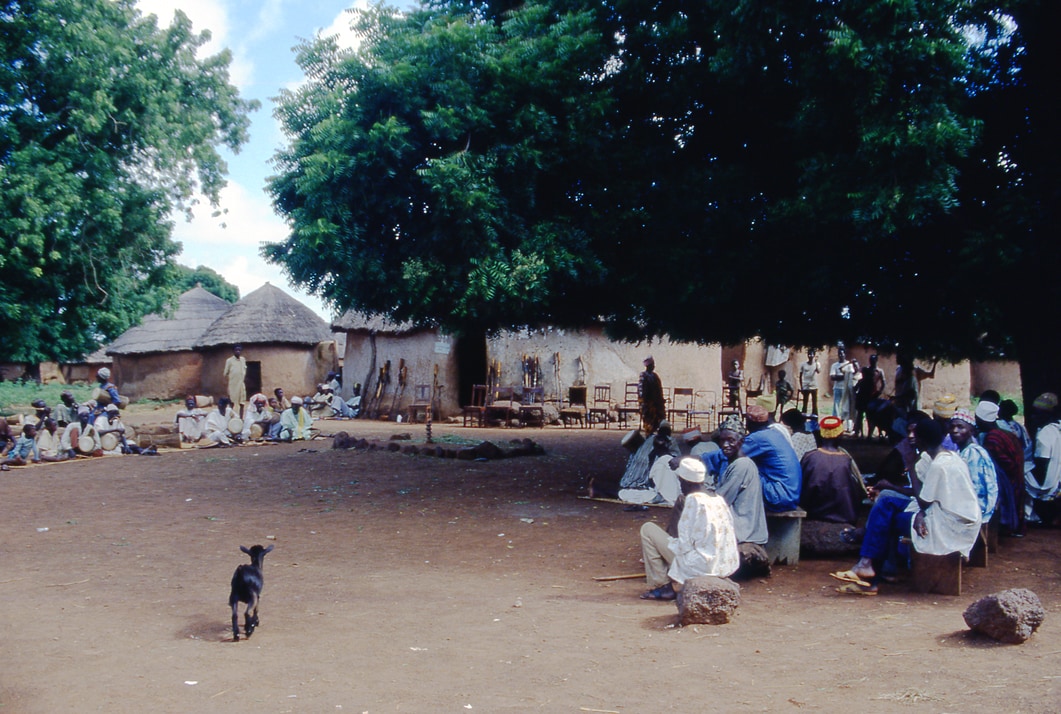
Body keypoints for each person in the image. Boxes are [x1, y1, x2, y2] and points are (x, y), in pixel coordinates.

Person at [830, 419, 980, 595]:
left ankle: (871, 575)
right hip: (943, 512)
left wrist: (911, 465)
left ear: (922, 440)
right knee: (886, 501)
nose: (910, 438)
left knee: (888, 519)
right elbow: (926, 496)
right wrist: (919, 510)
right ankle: (868, 566)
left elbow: (924, 500)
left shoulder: (941, 465)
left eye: (914, 435)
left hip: (951, 525)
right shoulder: (945, 457)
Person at [638, 457, 740, 601]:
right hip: (724, 564)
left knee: (648, 529)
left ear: (684, 481)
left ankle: (664, 585)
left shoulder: (693, 500)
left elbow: (685, 544)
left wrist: (668, 552)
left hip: (701, 566)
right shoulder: (717, 499)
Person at [700, 415, 769, 548]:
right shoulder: (734, 463)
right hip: (741, 526)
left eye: (731, 440)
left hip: (743, 530)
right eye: (722, 441)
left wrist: (699, 490)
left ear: (741, 441)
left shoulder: (742, 465)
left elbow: (721, 501)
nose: (725, 445)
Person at [799, 416, 867, 524]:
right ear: (840, 435)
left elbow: (801, 486)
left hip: (813, 511)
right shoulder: (845, 459)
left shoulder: (810, 457)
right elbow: (856, 489)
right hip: (843, 514)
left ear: (821, 434)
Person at [976, 400, 1024, 536]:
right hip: (1016, 476)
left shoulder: (993, 438)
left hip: (1009, 479)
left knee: (1007, 505)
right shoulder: (1006, 433)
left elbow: (1004, 462)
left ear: (982, 420)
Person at [741, 404, 802, 512]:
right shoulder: (775, 433)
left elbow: (730, 455)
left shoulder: (758, 438)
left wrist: (703, 458)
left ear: (749, 424)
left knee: (742, 468)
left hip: (778, 497)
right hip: (791, 496)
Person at [950, 408, 998, 525]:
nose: (955, 431)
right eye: (952, 427)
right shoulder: (961, 451)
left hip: (974, 506)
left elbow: (974, 487)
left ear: (971, 431)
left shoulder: (973, 453)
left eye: (960, 427)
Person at [617, 421, 680, 504]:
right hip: (642, 489)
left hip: (623, 485)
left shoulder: (646, 442)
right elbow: (677, 459)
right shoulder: (669, 441)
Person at [1026, 392, 1061, 525]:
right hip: (1058, 477)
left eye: (1036, 414)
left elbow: (1042, 465)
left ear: (1047, 415)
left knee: (1019, 474)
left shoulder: (1044, 434)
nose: (1033, 417)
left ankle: (1030, 514)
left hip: (1049, 483)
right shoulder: (1057, 428)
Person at [854, 354, 887, 438]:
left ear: (876, 361)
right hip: (862, 394)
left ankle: (869, 434)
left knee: (870, 416)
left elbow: (883, 383)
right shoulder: (865, 370)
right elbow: (860, 380)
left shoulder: (879, 371)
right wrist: (856, 388)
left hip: (872, 396)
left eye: (873, 360)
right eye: (870, 360)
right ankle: (859, 433)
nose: (872, 362)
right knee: (860, 415)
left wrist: (879, 392)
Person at [638, 356, 666, 435]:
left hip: (657, 404)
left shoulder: (655, 376)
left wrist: (661, 400)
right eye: (652, 365)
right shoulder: (643, 376)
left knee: (660, 422)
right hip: (648, 405)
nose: (654, 366)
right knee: (649, 424)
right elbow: (642, 393)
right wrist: (645, 403)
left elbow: (659, 390)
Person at [829, 346, 856, 431]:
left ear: (845, 354)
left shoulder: (849, 365)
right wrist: (844, 376)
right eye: (839, 354)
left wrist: (841, 376)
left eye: (842, 353)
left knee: (846, 407)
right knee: (836, 406)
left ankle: (849, 427)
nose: (841, 355)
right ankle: (835, 424)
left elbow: (851, 376)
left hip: (846, 388)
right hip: (837, 388)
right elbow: (832, 377)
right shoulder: (834, 365)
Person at [224, 344, 248, 417]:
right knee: (232, 401)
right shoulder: (229, 361)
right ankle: (232, 417)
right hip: (233, 385)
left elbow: (244, 370)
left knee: (242, 402)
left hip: (241, 384)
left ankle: (241, 418)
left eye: (239, 350)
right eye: (236, 350)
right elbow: (225, 373)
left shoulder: (243, 360)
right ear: (233, 351)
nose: (238, 351)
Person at [799, 350, 821, 415]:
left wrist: (816, 363)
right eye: (809, 354)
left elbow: (818, 371)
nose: (810, 356)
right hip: (805, 386)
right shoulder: (803, 364)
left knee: (814, 403)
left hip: (814, 386)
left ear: (814, 355)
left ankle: (814, 418)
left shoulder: (817, 364)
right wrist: (801, 387)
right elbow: (800, 376)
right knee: (805, 403)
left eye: (812, 355)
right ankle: (803, 418)